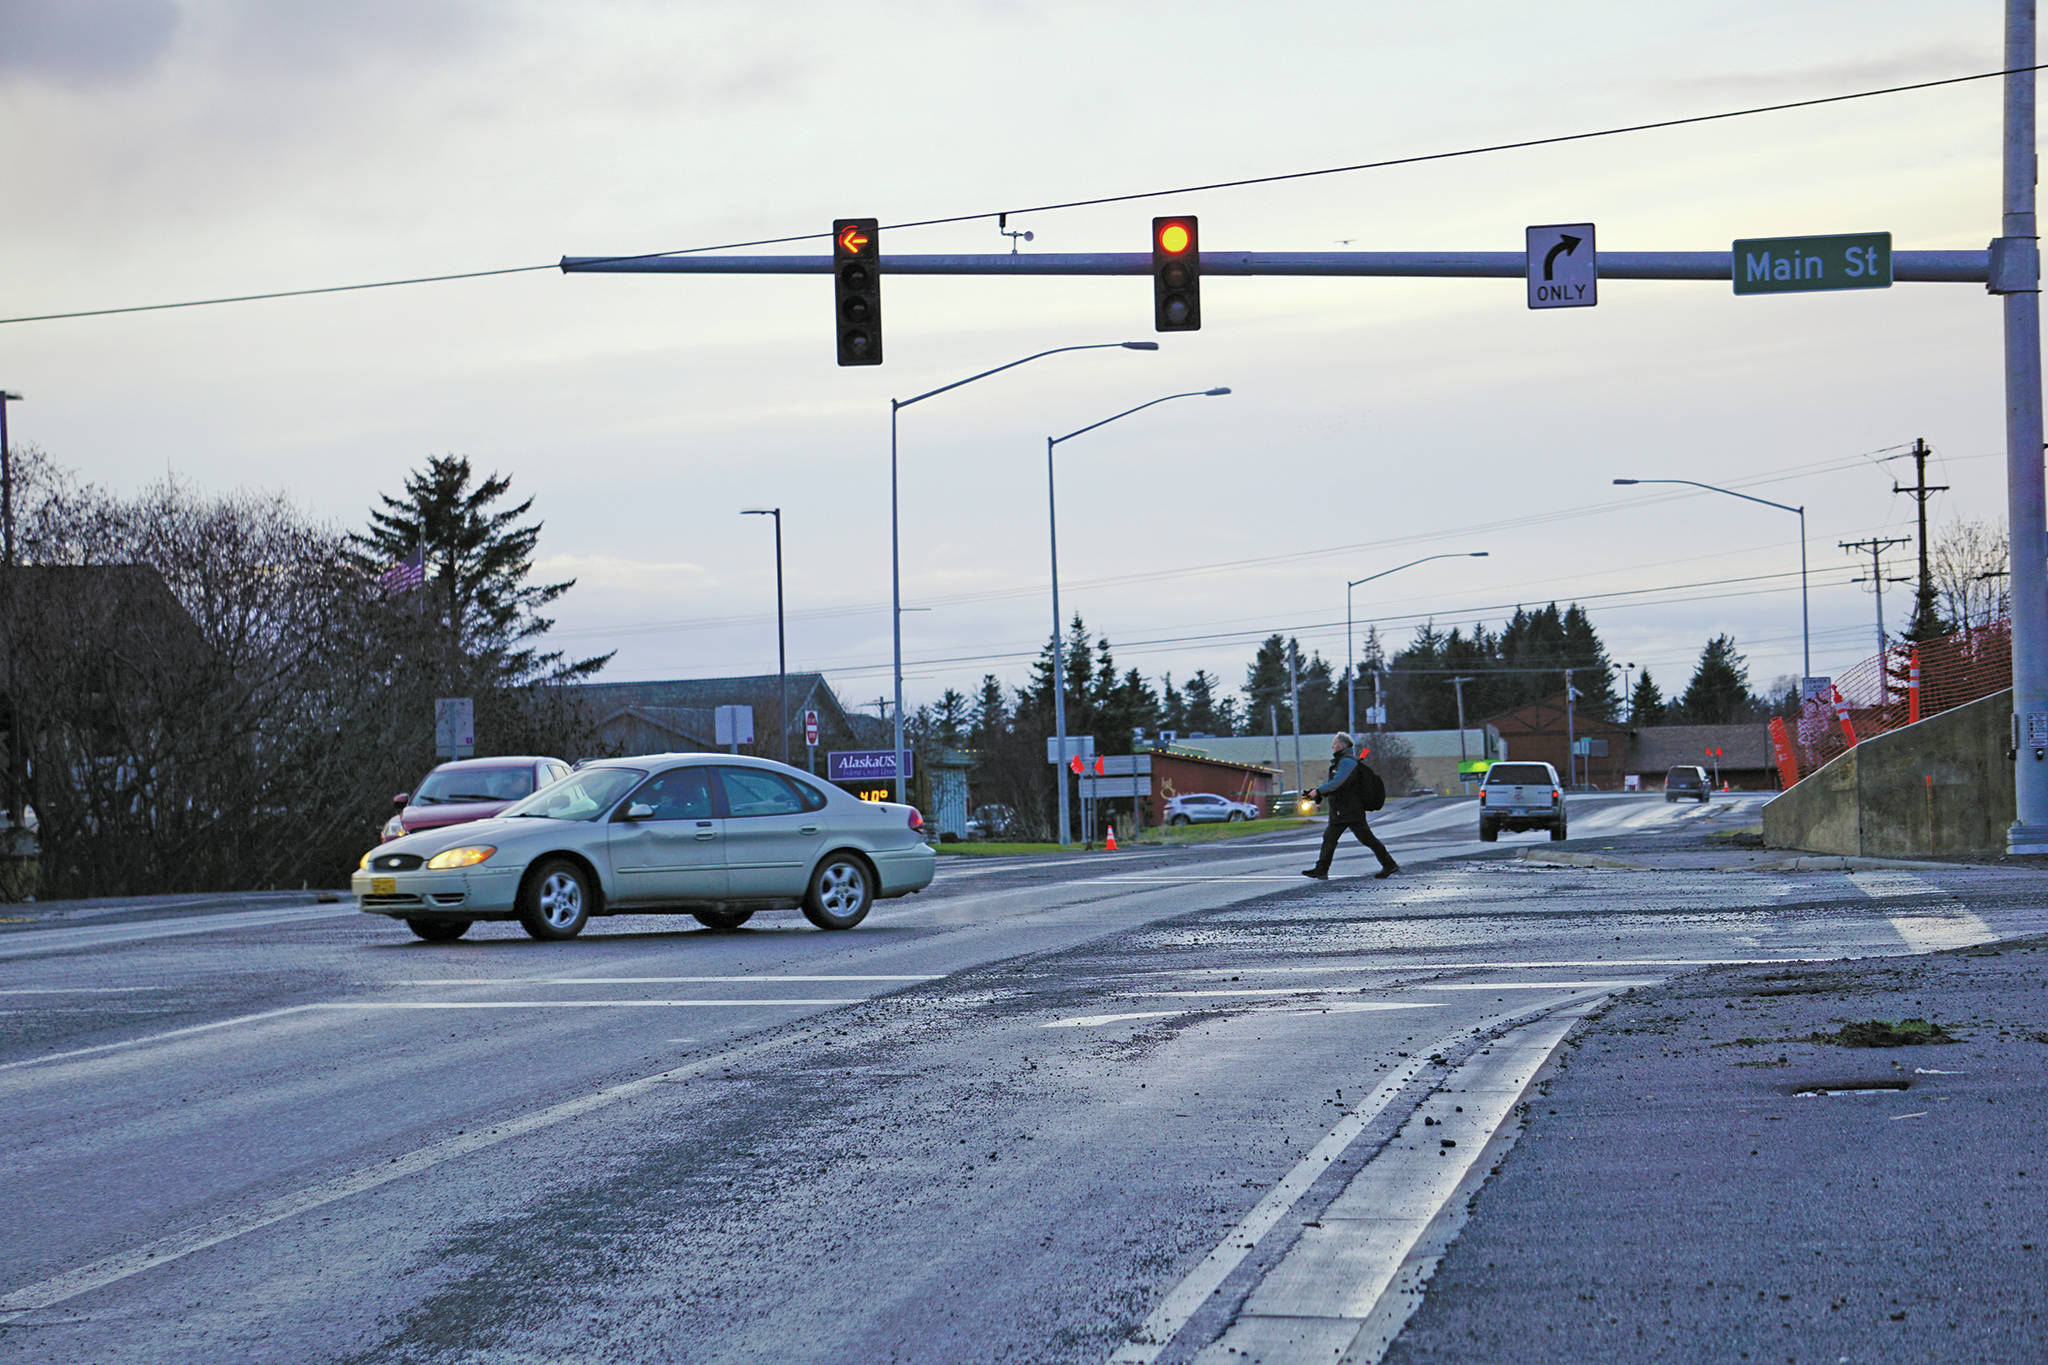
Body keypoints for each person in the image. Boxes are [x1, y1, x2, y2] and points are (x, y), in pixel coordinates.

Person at [1302, 732, 1398, 880]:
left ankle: (1389, 864)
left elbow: (1338, 783)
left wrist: (1319, 791)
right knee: (1334, 838)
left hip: (1348, 810)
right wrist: (1319, 794)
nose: (1332, 747)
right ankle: (1321, 870)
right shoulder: (1344, 761)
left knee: (1360, 839)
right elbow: (1339, 786)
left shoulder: (1347, 762)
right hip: (1343, 810)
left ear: (1341, 745)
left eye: (1334, 744)